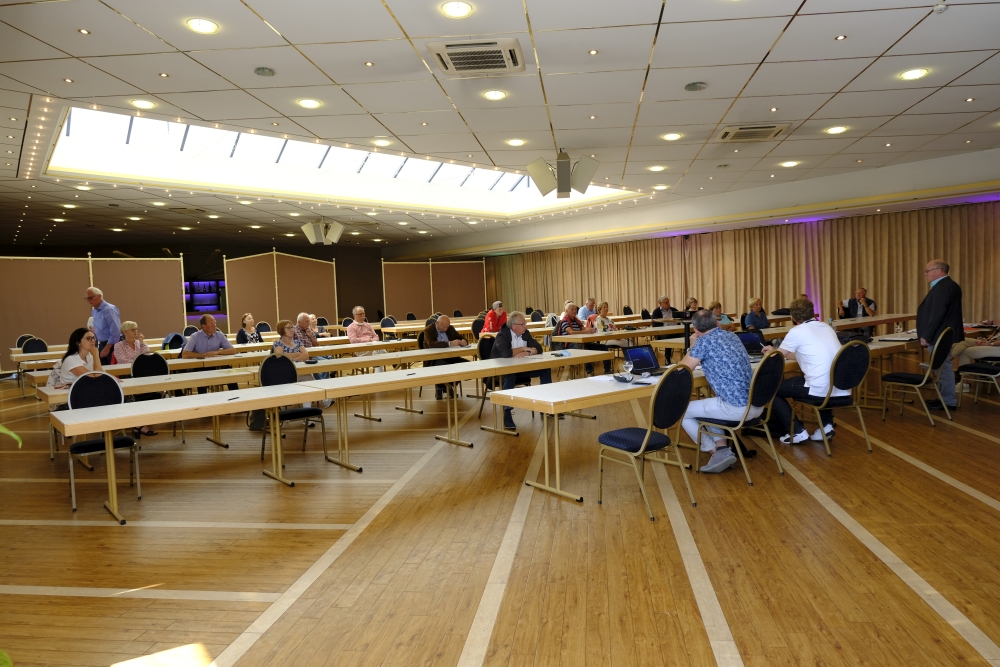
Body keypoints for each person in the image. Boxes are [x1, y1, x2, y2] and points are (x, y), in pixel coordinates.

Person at [679, 310, 760, 474]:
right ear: (717, 322)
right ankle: (722, 448)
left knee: (683, 411)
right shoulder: (732, 336)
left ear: (695, 330)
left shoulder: (703, 342)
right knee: (709, 405)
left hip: (737, 408)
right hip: (757, 404)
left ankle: (714, 452)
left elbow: (682, 370)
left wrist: (693, 344)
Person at [762, 298, 848, 443]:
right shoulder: (826, 327)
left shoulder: (796, 331)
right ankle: (826, 426)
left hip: (820, 390)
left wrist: (771, 351)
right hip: (841, 387)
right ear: (812, 312)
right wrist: (778, 352)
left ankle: (797, 431)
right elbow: (805, 356)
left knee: (771, 388)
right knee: (819, 378)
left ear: (793, 317)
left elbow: (776, 357)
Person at [490, 311, 552, 430]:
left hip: (521, 369)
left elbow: (539, 348)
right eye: (522, 324)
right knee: (510, 375)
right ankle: (507, 414)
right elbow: (505, 353)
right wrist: (523, 348)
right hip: (501, 372)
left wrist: (529, 352)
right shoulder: (502, 335)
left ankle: (547, 406)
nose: (525, 326)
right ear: (514, 326)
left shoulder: (525, 333)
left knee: (545, 369)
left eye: (525, 323)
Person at [917, 259, 963, 410]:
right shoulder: (950, 285)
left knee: (942, 369)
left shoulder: (942, 287)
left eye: (927, 271)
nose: (925, 274)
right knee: (943, 368)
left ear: (938, 270)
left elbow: (937, 314)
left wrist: (927, 335)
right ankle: (945, 398)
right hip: (944, 334)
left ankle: (948, 401)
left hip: (939, 335)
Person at [113, 321, 157, 436]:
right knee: (134, 395)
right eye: (132, 330)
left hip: (140, 375)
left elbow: (148, 356)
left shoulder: (139, 343)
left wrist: (142, 343)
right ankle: (139, 424)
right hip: (126, 376)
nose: (135, 331)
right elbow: (123, 361)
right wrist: (139, 361)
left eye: (136, 329)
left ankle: (141, 422)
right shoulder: (118, 346)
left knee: (156, 391)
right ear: (125, 332)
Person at [182, 314, 239, 393]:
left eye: (215, 323)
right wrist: (204, 355)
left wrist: (217, 352)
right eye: (211, 324)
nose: (214, 325)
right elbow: (185, 354)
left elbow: (232, 350)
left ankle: (236, 394)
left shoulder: (219, 335)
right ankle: (203, 398)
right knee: (201, 374)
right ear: (204, 326)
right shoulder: (195, 337)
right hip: (200, 366)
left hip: (216, 364)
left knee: (229, 371)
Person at [422, 315, 470, 399]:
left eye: (447, 327)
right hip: (434, 359)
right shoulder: (428, 330)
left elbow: (460, 337)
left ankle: (446, 385)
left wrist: (464, 341)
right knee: (443, 366)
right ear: (437, 323)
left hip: (451, 357)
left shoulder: (450, 328)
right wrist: (449, 343)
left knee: (467, 366)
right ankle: (444, 386)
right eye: (443, 327)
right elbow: (431, 344)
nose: (445, 329)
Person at [555, 303, 610, 375]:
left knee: (604, 347)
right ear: (566, 311)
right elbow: (571, 332)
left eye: (575, 309)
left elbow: (584, 329)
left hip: (582, 342)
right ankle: (589, 371)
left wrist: (590, 330)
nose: (574, 311)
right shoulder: (564, 321)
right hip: (570, 344)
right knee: (586, 349)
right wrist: (585, 331)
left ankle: (607, 370)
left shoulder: (577, 321)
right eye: (572, 309)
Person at [85, 286, 121, 365]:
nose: (88, 301)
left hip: (112, 345)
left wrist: (107, 347)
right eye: (87, 299)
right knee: (102, 368)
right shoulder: (94, 311)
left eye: (90, 298)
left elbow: (115, 331)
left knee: (113, 369)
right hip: (101, 344)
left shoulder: (109, 309)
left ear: (99, 296)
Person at [346, 306, 386, 371]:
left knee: (376, 350)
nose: (362, 315)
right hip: (361, 349)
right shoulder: (351, 327)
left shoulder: (368, 325)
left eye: (363, 314)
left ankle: (379, 373)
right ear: (354, 316)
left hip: (373, 346)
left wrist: (373, 341)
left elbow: (376, 336)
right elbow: (353, 340)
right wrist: (368, 340)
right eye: (360, 314)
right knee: (377, 350)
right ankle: (393, 363)